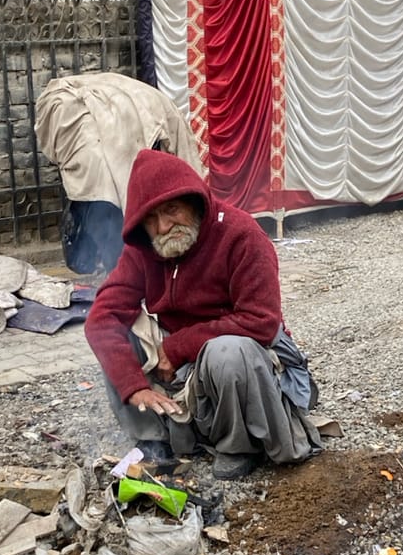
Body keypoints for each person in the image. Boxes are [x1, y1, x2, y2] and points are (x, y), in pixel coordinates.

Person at [84, 149, 321, 479]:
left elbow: (261, 322)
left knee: (227, 352)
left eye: (171, 210)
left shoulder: (241, 235)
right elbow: (102, 317)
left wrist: (178, 346)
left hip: (249, 353)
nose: (163, 226)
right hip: (185, 361)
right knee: (116, 334)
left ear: (193, 200)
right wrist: (134, 386)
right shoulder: (144, 249)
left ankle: (238, 445)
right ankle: (154, 439)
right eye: (150, 219)